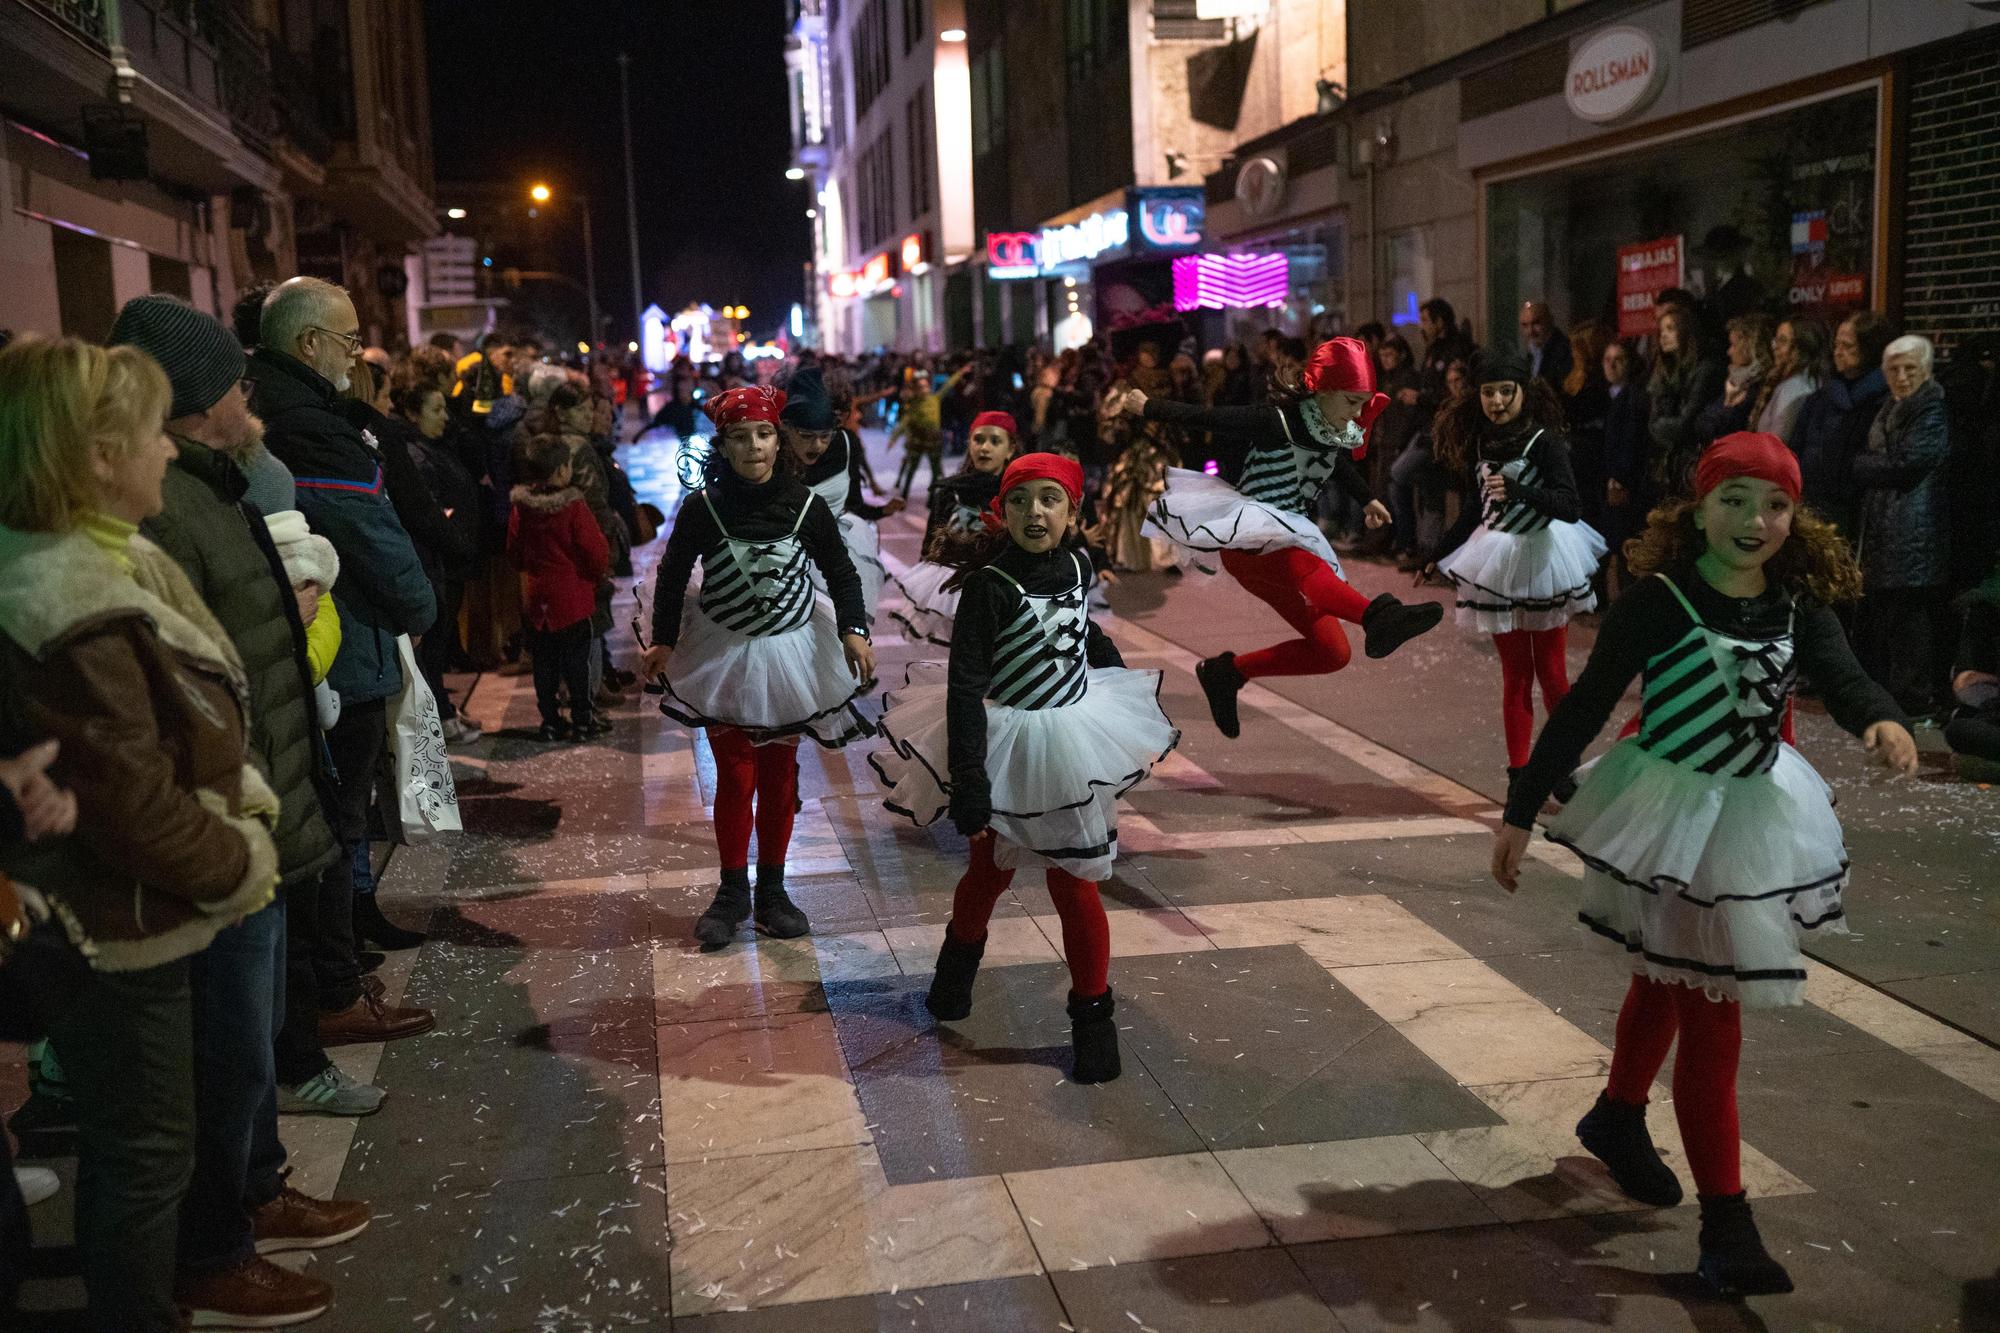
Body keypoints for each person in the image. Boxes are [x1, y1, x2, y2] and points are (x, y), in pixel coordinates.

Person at [1492, 432, 1917, 1299]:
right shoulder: (1659, 599)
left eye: (1774, 505)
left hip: (1752, 815)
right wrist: (1521, 806)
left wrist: (1881, 717)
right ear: (1699, 505)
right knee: (1709, 1007)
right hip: (1670, 813)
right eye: (1734, 499)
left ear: (1795, 519)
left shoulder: (1798, 603)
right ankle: (1726, 1225)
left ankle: (1617, 1115)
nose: (1753, 520)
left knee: (1672, 978)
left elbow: (1843, 674)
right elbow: (1584, 704)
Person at [0, 336, 294, 1331]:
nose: (167, 451)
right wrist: (242, 856)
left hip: (136, 906)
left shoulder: (99, 558)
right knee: (146, 1153)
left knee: (158, 1141)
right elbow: (132, 805)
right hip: (113, 924)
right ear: (91, 454)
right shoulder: (65, 601)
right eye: (148, 434)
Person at [872, 454, 1178, 1084]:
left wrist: (1117, 670)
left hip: (1070, 739)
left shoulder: (1076, 563)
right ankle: (953, 979)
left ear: (1072, 512)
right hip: (1009, 739)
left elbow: (1080, 626)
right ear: (1002, 510)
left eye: (1049, 501)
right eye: (1020, 501)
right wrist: (971, 783)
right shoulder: (989, 585)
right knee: (987, 874)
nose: (1034, 513)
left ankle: (1093, 1017)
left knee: (1077, 880)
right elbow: (964, 688)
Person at [247, 277, 437, 961]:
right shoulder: (310, 426)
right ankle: (338, 954)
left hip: (326, 640)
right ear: (308, 342)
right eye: (349, 341)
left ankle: (354, 918)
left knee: (346, 800)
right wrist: (420, 607)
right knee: (342, 801)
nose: (357, 356)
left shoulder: (281, 408)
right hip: (343, 639)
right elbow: (371, 529)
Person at [1116, 337, 1443, 736]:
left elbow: (1334, 461)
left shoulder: (1328, 426)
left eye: (1362, 403)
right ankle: (1378, 616)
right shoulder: (1277, 421)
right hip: (1252, 540)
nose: (1357, 413)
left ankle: (1227, 673)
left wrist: (1368, 498)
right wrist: (1147, 405)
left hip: (1282, 543)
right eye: (1351, 401)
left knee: (1332, 652)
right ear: (1323, 391)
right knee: (1306, 563)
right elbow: (1210, 417)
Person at [643, 386, 874, 946]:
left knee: (779, 778)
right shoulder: (703, 508)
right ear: (722, 445)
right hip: (725, 657)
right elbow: (673, 575)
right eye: (740, 437)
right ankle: (730, 891)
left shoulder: (806, 505)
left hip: (791, 656)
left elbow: (841, 571)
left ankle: (772, 889)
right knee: (735, 776)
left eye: (764, 434)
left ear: (779, 441)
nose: (754, 446)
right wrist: (664, 642)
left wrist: (854, 630)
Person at [1427, 353, 1606, 776]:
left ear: (1525, 393)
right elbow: (1475, 509)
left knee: (1553, 675)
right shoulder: (1481, 442)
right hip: (1498, 564)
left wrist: (1520, 490)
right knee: (1516, 677)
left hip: (1544, 559)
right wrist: (1435, 554)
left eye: (1507, 391)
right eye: (1489, 392)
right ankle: (1520, 775)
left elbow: (1570, 505)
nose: (1497, 401)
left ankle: (1562, 767)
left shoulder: (1544, 441)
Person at [1851, 334, 1952, 717]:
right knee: (1888, 619)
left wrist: (1863, 466)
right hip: (1887, 529)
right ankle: (1893, 697)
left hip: (1915, 533)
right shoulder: (1888, 407)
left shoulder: (1932, 411)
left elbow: (1906, 466)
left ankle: (1913, 701)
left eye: (1911, 368)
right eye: (1894, 369)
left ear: (1926, 371)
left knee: (1910, 623)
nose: (1903, 376)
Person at [388, 373, 483, 743]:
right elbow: (425, 512)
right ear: (413, 413)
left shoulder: (432, 446)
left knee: (440, 644)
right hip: (432, 562)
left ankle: (445, 710)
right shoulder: (414, 454)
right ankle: (440, 717)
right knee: (432, 648)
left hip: (445, 561)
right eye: (437, 409)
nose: (445, 417)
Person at [781, 366, 904, 626]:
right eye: (805, 433)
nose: (816, 444)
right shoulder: (774, 450)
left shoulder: (847, 445)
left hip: (832, 553)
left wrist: (883, 511)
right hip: (782, 560)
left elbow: (853, 504)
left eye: (829, 427)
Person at [508, 435, 612, 741]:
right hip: (572, 599)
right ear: (562, 471)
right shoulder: (574, 508)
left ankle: (550, 722)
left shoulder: (521, 509)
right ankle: (582, 721)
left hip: (537, 599)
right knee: (577, 664)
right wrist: (597, 575)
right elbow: (594, 550)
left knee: (544, 664)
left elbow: (514, 552)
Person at [888, 410, 1019, 647]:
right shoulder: (951, 491)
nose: (985, 448)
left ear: (1010, 449)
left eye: (995, 441)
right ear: (968, 443)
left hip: (1000, 588)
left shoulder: (1017, 495)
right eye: (978, 440)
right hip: (955, 587)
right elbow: (931, 542)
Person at [1788, 309, 1893, 536]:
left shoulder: (1885, 402)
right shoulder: (1822, 396)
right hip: (1812, 503)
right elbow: (1797, 445)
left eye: (1848, 346)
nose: (1838, 352)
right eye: (1836, 345)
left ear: (1870, 349)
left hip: (1856, 513)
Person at [1646, 304, 1727, 500]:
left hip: (1694, 463)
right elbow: (1654, 422)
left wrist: (1659, 426)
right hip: (1672, 466)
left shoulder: (1706, 370)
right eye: (1662, 330)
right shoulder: (1666, 373)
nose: (1663, 336)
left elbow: (1686, 425)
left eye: (1671, 329)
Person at [1599, 338, 1651, 596]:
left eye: (1618, 360)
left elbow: (1630, 441)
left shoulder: (1632, 398)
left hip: (1623, 484)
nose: (1612, 365)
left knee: (1624, 547)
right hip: (1612, 479)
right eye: (1607, 360)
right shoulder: (1611, 396)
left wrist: (1618, 479)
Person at [1693, 313, 1774, 448]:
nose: (1729, 352)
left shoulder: (1755, 389)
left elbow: (1715, 428)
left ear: (1749, 348)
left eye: (1734, 345)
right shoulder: (1736, 383)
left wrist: (1727, 405)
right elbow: (1702, 423)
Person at [1750, 317, 1827, 444]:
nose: (1775, 347)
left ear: (1801, 347)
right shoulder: (1795, 381)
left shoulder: (1794, 388)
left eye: (1783, 341)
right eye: (1776, 340)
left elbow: (1776, 443)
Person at [1518, 301, 1573, 390]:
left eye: (1536, 323)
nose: (1530, 331)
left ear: (1549, 321)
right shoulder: (1532, 354)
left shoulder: (1565, 352)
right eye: (1525, 325)